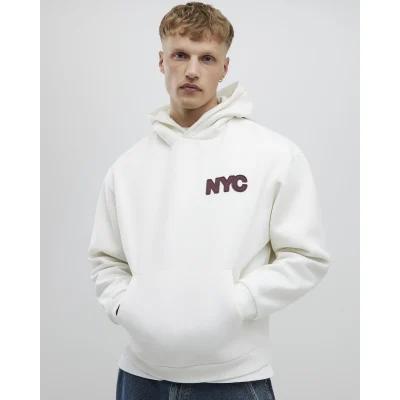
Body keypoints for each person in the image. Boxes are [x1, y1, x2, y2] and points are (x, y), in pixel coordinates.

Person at [87, 2, 331, 399]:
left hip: (233, 381)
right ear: (161, 61)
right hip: (140, 378)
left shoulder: (272, 155)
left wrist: (238, 303)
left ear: (224, 68)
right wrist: (125, 306)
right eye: (180, 55)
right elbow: (106, 259)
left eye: (207, 58)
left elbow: (306, 257)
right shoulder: (127, 168)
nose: (192, 70)